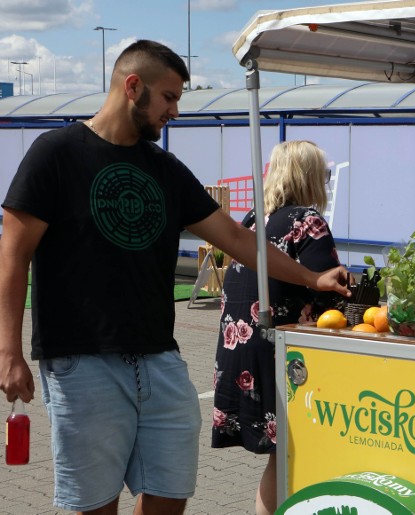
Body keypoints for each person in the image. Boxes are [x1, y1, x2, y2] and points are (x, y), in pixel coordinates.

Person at [0, 40, 350, 515]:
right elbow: (13, 257)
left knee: (170, 496)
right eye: (169, 98)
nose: (176, 111)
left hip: (161, 360)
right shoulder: (56, 154)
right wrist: (9, 353)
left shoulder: (164, 169)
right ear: (132, 87)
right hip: (82, 363)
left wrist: (313, 278)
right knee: (96, 506)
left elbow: (238, 238)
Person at [212, 140, 344, 515]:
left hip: (237, 350)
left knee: (281, 454)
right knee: (290, 451)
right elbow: (328, 292)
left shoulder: (255, 218)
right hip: (277, 351)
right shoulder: (307, 220)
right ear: (310, 177)